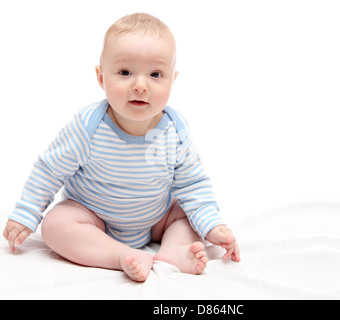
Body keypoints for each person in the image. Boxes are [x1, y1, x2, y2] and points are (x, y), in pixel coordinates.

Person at [2, 13, 240, 282]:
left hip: (156, 220)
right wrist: (26, 213)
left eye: (155, 74)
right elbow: (49, 170)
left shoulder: (175, 130)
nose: (140, 85)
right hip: (93, 218)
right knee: (56, 225)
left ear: (172, 80)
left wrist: (214, 226)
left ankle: (173, 252)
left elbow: (193, 185)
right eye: (125, 72)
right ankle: (119, 255)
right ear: (101, 77)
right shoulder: (88, 126)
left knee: (187, 214)